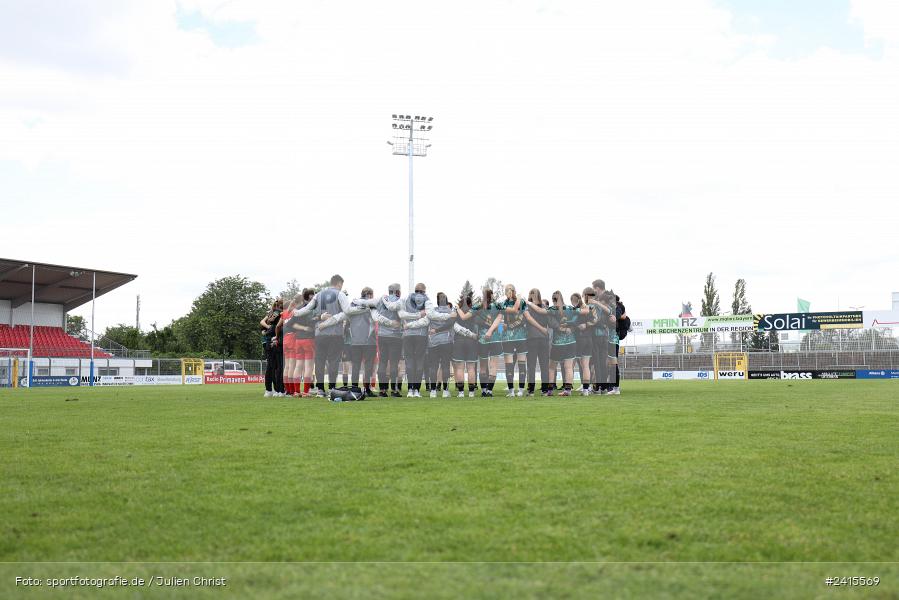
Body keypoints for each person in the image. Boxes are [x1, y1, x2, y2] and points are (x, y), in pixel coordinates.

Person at [291, 274, 350, 396]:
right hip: (335, 334)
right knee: (333, 361)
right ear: (339, 283)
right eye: (341, 285)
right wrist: (333, 319)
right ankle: (332, 388)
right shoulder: (340, 294)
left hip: (320, 334)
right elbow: (347, 312)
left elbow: (307, 309)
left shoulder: (318, 295)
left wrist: (296, 312)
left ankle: (320, 389)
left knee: (319, 361)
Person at [317, 287, 380, 396]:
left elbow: (338, 317)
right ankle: (367, 389)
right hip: (369, 341)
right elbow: (376, 318)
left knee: (355, 366)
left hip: (355, 342)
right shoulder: (372, 307)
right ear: (369, 295)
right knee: (368, 366)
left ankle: (355, 389)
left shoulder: (351, 307)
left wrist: (324, 324)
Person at [374, 284, 404, 397]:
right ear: (397, 291)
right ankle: (394, 390)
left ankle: (382, 390)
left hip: (382, 336)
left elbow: (376, 316)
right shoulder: (400, 301)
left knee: (382, 362)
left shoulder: (380, 303)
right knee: (394, 363)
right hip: (395, 336)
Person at [285, 288, 316, 396]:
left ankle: (296, 391)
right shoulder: (312, 309)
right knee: (308, 367)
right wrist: (306, 328)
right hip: (309, 340)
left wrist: (301, 328)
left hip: (298, 340)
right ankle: (306, 391)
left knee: (298, 366)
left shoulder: (297, 309)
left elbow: (289, 324)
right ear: (312, 296)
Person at [474, 288, 503, 396]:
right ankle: (490, 390)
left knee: (482, 366)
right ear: (492, 295)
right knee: (493, 366)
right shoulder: (498, 306)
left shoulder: (478, 307)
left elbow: (475, 321)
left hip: (482, 339)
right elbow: (500, 323)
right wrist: (499, 331)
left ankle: (483, 391)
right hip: (495, 339)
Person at [426, 292, 456, 397]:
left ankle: (433, 391)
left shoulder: (432, 311)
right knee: (445, 366)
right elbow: (451, 324)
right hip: (446, 342)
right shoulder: (451, 312)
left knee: (433, 366)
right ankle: (445, 391)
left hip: (433, 342)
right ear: (447, 301)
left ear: (437, 301)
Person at [501, 284, 528, 397]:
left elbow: (525, 318)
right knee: (509, 364)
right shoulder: (502, 304)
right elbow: (500, 320)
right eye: (506, 290)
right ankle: (511, 390)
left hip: (521, 337)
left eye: (510, 290)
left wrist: (510, 326)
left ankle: (521, 390)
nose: (508, 292)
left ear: (514, 291)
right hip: (507, 338)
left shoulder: (522, 302)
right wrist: (501, 329)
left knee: (522, 363)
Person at [547, 291, 576, 396]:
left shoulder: (551, 310)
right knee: (568, 367)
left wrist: (560, 328)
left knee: (551, 367)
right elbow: (576, 320)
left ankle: (549, 391)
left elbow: (550, 323)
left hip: (558, 343)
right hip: (571, 341)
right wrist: (571, 328)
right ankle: (568, 390)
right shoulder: (570, 309)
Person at [452, 290, 479, 397]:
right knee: (471, 368)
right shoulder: (474, 312)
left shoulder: (456, 313)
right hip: (472, 342)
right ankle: (471, 392)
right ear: (470, 303)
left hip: (459, 341)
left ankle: (461, 392)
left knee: (460, 368)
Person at [523, 288, 550, 396]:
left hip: (532, 339)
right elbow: (550, 322)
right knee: (544, 365)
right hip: (543, 338)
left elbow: (525, 321)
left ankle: (531, 390)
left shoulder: (526, 308)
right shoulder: (545, 308)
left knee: (531, 365)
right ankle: (544, 390)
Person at [571, 291, 594, 396]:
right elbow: (594, 321)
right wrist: (586, 325)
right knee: (585, 365)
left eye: (572, 300)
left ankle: (567, 388)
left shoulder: (575, 311)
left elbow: (572, 323)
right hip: (589, 339)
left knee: (570, 364)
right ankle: (586, 390)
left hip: (579, 339)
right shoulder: (589, 309)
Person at [261, 299, 284, 397]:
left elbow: (262, 322)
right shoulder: (279, 313)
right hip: (275, 341)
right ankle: (278, 390)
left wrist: (267, 328)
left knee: (271, 366)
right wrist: (273, 331)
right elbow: (278, 326)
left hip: (267, 341)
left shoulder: (270, 313)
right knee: (277, 367)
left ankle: (269, 390)